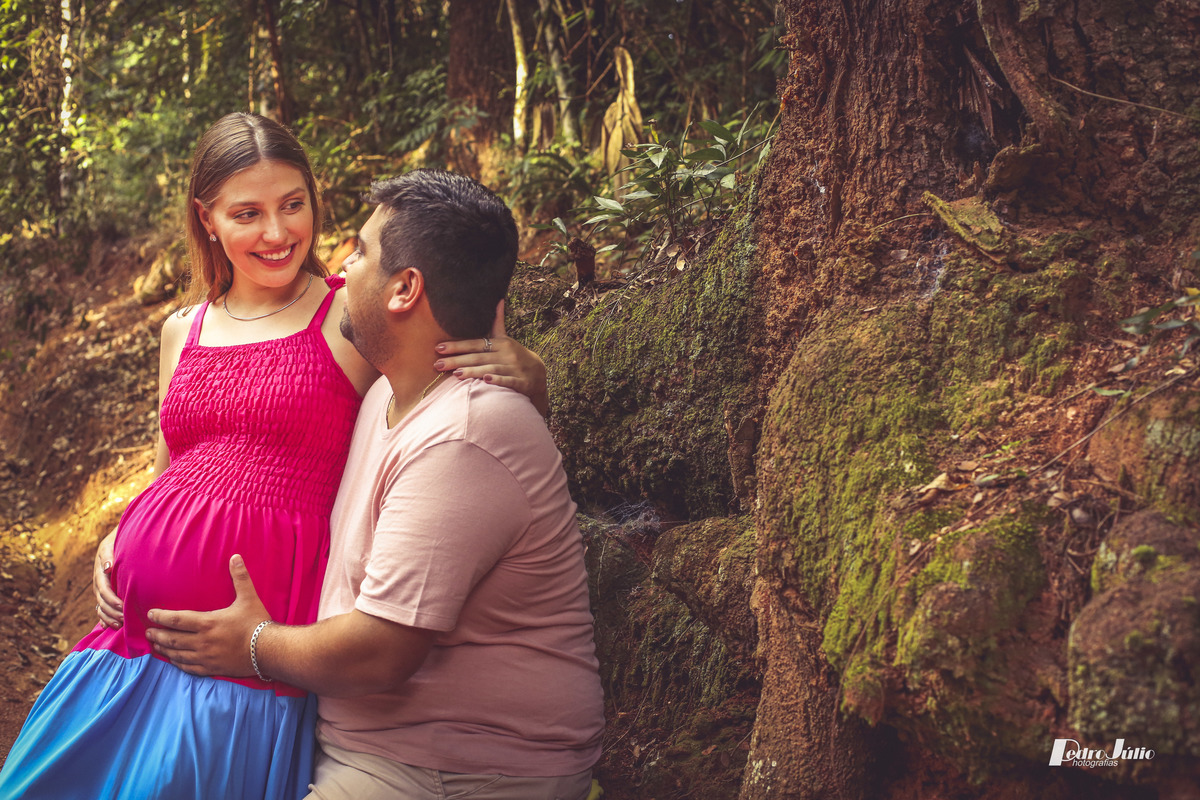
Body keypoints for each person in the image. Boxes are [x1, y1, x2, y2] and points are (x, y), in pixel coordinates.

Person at [0, 115, 546, 800]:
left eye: (293, 204)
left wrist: (531, 375)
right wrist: (119, 536)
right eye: (247, 214)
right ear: (207, 219)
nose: (278, 232)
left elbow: (454, 406)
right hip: (131, 646)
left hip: (247, 668)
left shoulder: (352, 318)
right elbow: (170, 468)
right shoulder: (182, 330)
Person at [144, 169, 606, 800]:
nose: (340, 268)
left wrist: (251, 645)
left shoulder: (463, 434)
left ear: (405, 289)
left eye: (359, 253)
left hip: (455, 769)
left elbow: (381, 653)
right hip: (375, 746)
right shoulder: (388, 391)